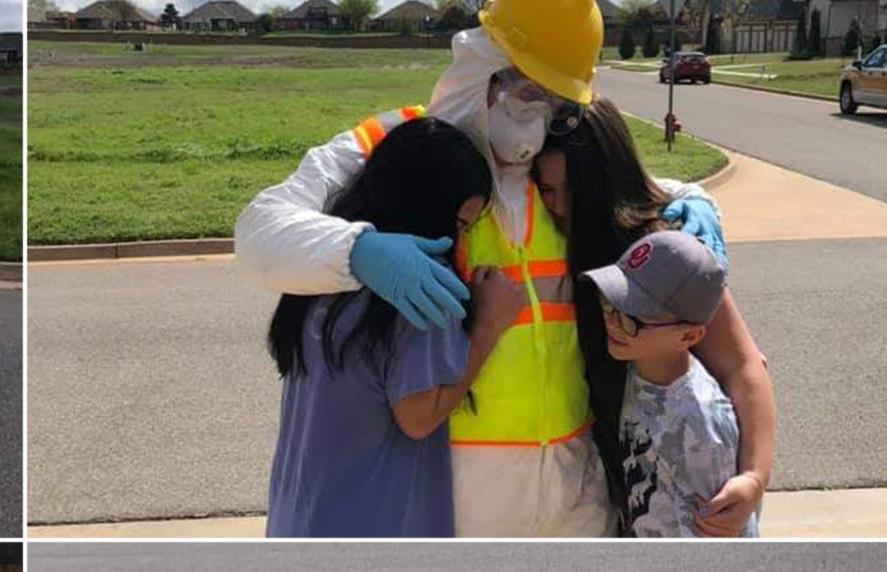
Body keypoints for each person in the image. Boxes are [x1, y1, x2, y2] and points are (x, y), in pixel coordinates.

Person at [235, 0, 736, 537]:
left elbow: (628, 181)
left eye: (553, 99)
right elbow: (260, 228)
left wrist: (694, 198)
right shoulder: (401, 146)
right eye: (524, 89)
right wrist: (358, 248)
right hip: (461, 488)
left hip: (574, 479)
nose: (535, 117)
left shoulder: (558, 162)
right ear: (483, 63)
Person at [266, 117, 521, 537]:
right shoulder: (420, 285)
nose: (462, 239)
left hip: (297, 515)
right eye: (461, 224)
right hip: (374, 524)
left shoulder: (329, 263)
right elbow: (419, 416)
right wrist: (489, 326)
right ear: (431, 209)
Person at [534, 99, 774, 538]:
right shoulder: (533, 233)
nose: (562, 206)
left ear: (610, 180)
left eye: (577, 189)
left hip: (687, 484)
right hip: (614, 489)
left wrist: (754, 477)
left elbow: (743, 364)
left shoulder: (657, 250)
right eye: (548, 190)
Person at [585, 231, 759, 538]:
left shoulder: (697, 422)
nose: (612, 321)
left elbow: (718, 537)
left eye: (631, 319)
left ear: (689, 337)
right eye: (610, 303)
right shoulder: (641, 366)